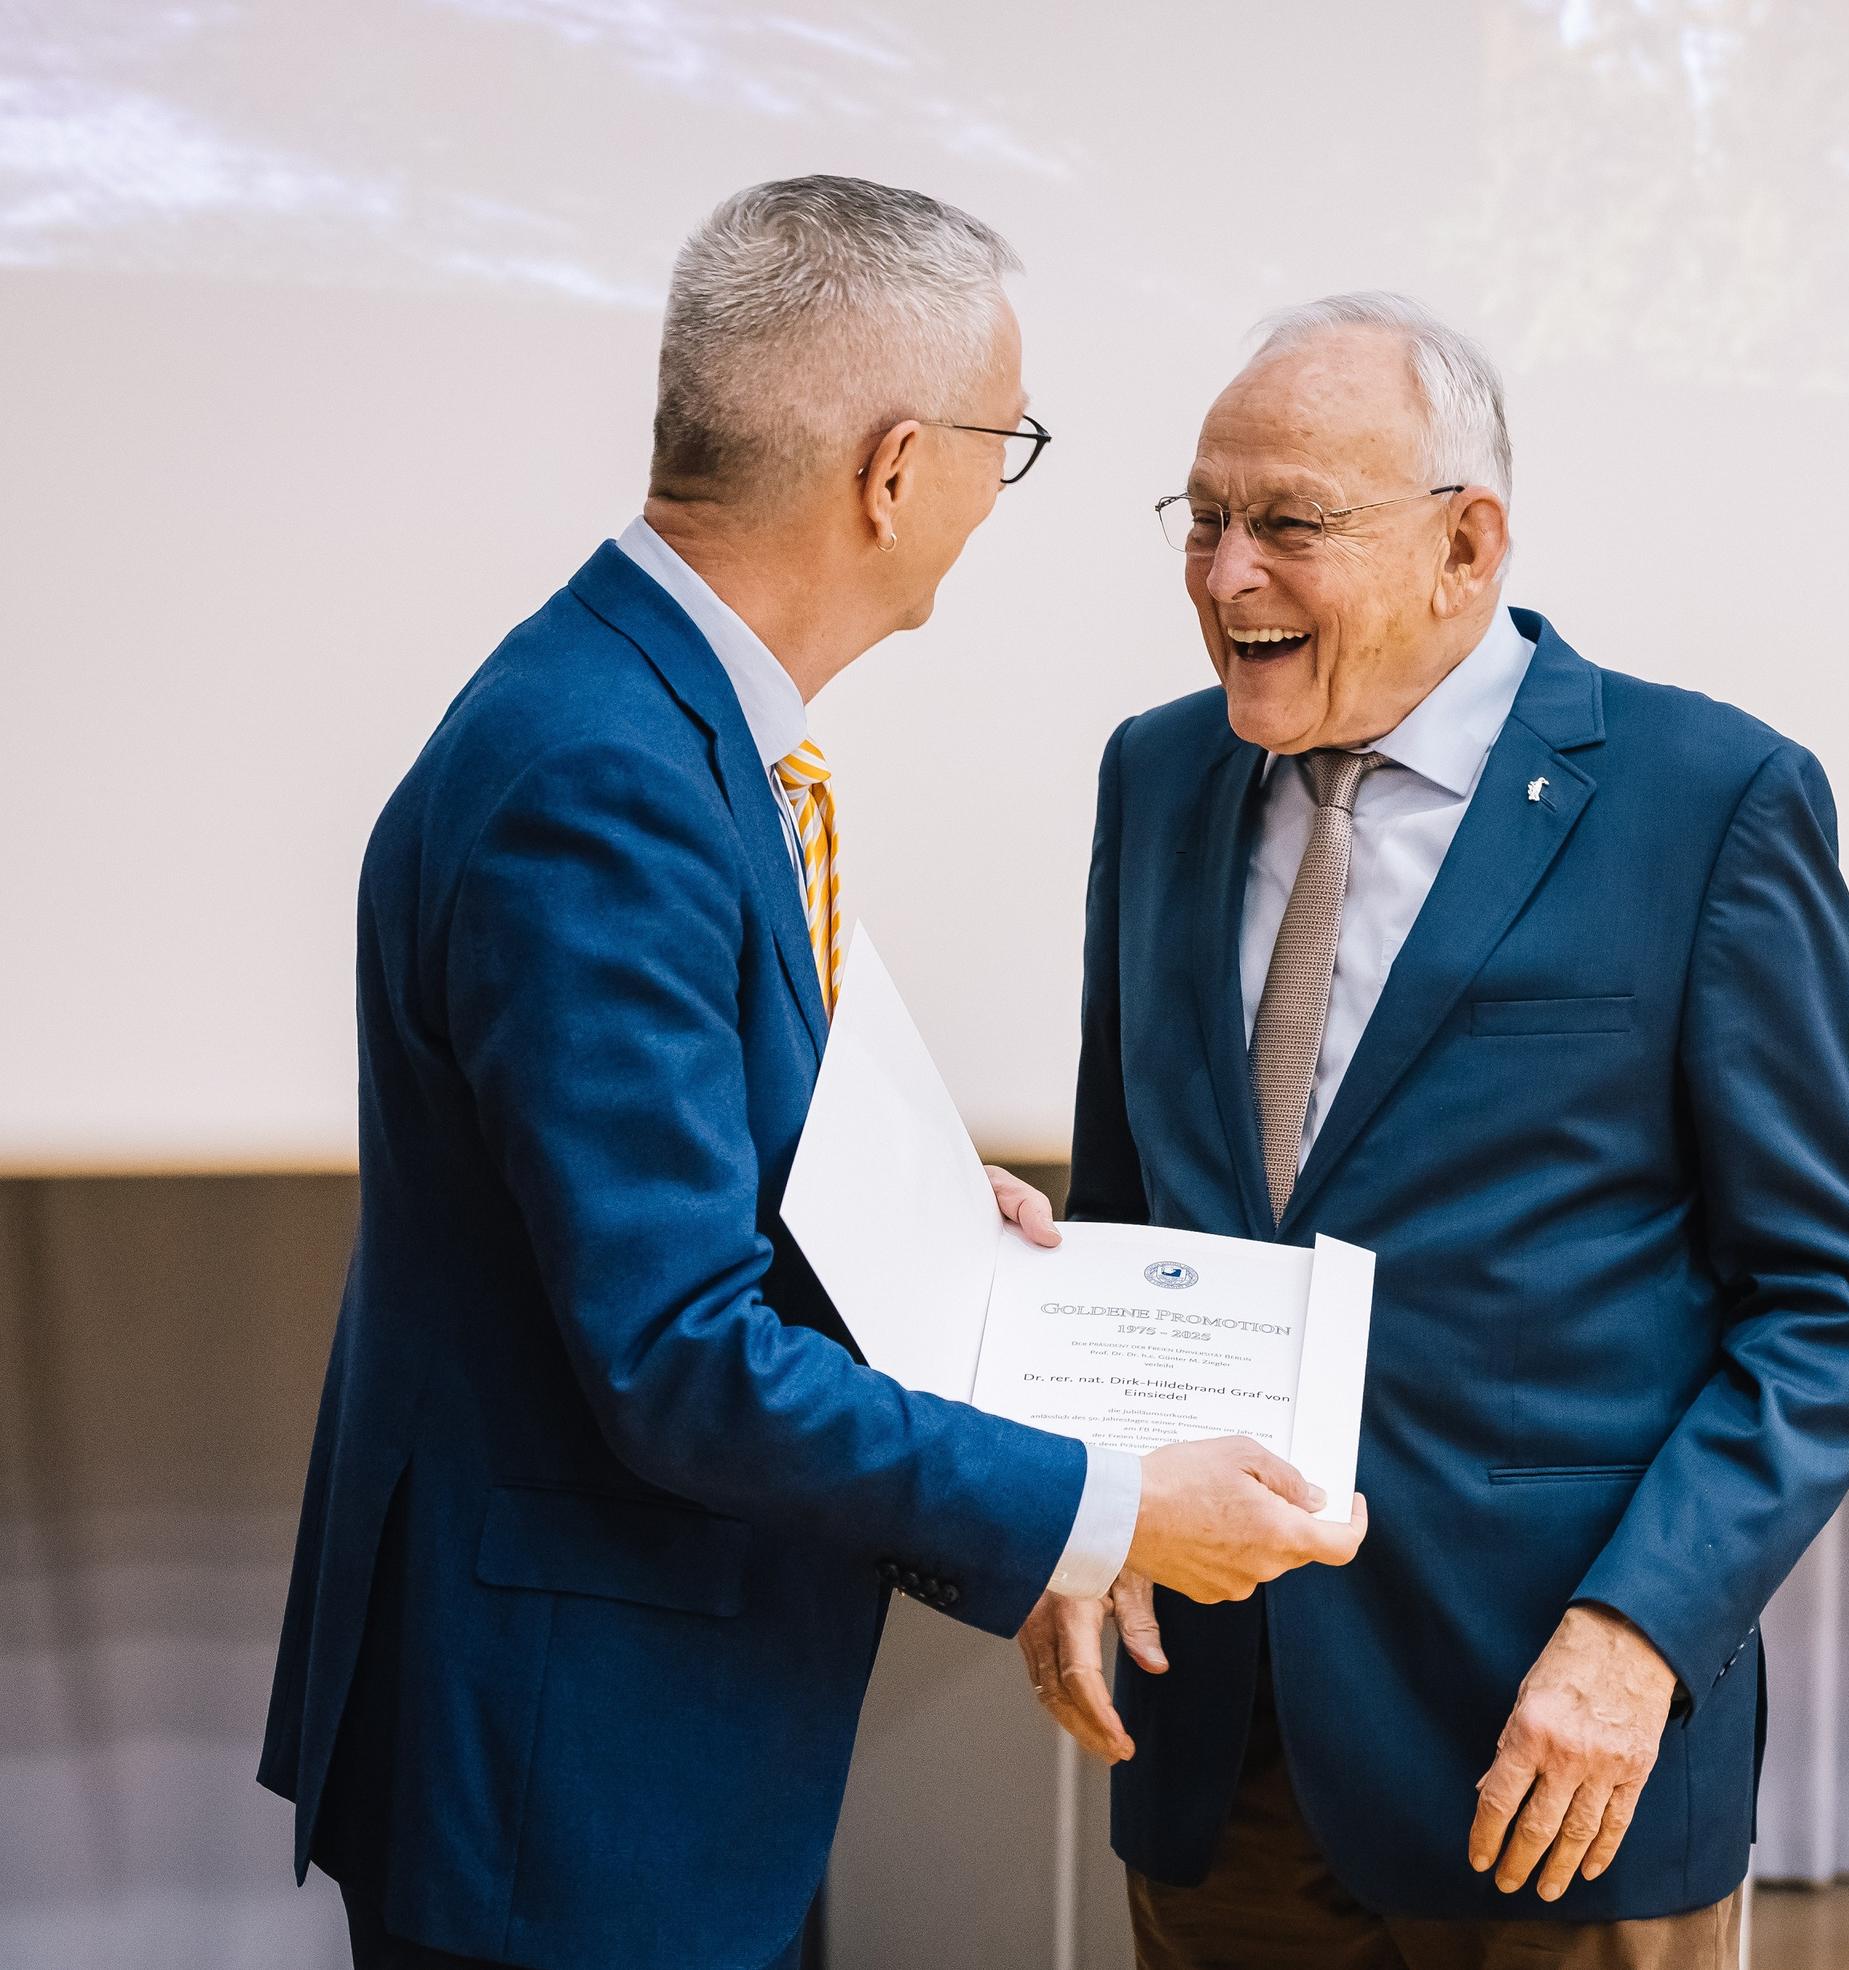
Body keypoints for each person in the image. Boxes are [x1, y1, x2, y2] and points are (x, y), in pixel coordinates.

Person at [257, 177, 1366, 1970]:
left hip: (625, 1717)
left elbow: (671, 1178)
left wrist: (923, 1223)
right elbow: (677, 1352)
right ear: (895, 467)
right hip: (576, 1756)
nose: (992, 507)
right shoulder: (601, 782)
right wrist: (1110, 1499)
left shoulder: (648, 713)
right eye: (1005, 451)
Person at [1017, 291, 1849, 1969]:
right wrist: (1080, 1509)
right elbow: (1128, 1214)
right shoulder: (1151, 782)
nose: (1224, 578)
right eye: (1203, 519)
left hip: (1553, 1750)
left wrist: (1635, 1640)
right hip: (1214, 1743)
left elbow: (1836, 1303)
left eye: (1288, 522)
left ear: (1467, 543)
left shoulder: (1709, 799)